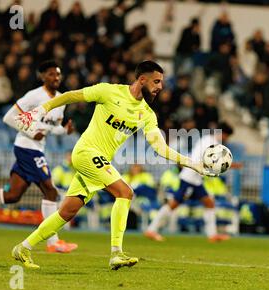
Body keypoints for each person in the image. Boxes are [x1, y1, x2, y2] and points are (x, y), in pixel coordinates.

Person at [11, 61, 215, 270]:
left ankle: (23, 247)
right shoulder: (108, 91)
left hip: (100, 161)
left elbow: (160, 148)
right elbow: (70, 95)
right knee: (125, 192)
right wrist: (40, 110)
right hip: (86, 153)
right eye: (156, 81)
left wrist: (192, 163)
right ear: (141, 79)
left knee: (67, 212)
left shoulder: (147, 114)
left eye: (161, 83)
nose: (160, 87)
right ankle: (116, 253)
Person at [0, 60, 78, 253]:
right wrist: (30, 130)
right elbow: (9, 117)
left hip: (37, 148)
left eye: (58, 74)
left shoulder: (61, 100)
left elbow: (50, 128)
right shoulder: (34, 96)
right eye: (51, 74)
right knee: (50, 192)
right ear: (42, 76)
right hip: (27, 147)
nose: (56, 78)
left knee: (13, 195)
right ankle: (53, 242)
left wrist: (64, 131)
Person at [144, 122, 236, 243]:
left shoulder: (209, 140)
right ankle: (151, 229)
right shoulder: (210, 142)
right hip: (190, 177)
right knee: (174, 204)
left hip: (195, 179)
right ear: (223, 133)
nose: (226, 139)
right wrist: (229, 165)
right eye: (227, 136)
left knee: (209, 203)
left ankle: (212, 235)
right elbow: (209, 160)